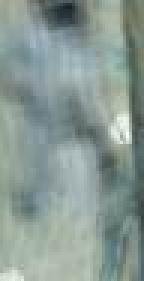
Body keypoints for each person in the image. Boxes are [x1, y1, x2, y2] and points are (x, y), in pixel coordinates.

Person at [1, 0, 118, 218]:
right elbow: (93, 113)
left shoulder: (28, 42)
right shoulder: (74, 52)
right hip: (72, 161)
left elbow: (12, 82)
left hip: (40, 155)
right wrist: (113, 149)